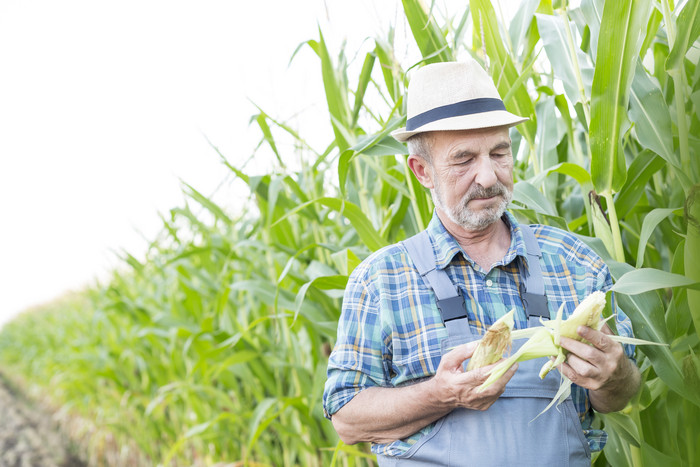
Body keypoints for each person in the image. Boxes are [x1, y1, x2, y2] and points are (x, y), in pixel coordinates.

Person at [322, 59, 641, 466]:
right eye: (464, 159)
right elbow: (347, 419)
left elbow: (625, 391)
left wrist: (614, 375)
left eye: (499, 152)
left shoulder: (575, 261)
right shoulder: (381, 280)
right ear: (422, 171)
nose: (489, 176)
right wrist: (441, 394)